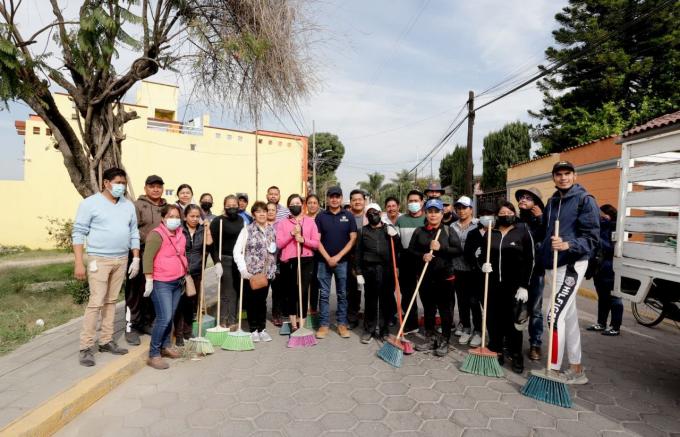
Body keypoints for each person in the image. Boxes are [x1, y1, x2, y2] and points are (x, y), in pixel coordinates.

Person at [539, 160, 600, 385]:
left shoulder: (585, 200)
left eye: (567, 173)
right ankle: (576, 368)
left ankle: (552, 369)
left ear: (574, 175)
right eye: (559, 174)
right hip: (554, 265)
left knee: (553, 315)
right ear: (553, 178)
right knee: (569, 317)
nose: (563, 177)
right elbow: (545, 233)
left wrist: (568, 245)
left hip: (572, 265)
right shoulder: (552, 201)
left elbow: (592, 239)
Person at [73, 167, 139, 367]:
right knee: (96, 302)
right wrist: (78, 262)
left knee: (111, 302)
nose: (121, 186)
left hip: (121, 260)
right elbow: (78, 232)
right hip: (98, 260)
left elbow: (133, 231)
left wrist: (135, 257)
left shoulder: (128, 206)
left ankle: (106, 341)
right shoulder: (90, 204)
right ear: (106, 183)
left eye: (123, 183)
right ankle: (85, 347)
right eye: (118, 182)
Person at [481, 202, 534, 374]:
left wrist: (524, 286)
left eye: (509, 211)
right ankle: (496, 349)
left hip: (515, 287)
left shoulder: (523, 232)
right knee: (493, 319)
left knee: (514, 322)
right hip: (493, 284)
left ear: (514, 213)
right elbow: (481, 255)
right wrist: (483, 265)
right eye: (502, 212)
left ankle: (516, 353)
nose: (506, 214)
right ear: (497, 215)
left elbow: (530, 260)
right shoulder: (490, 233)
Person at [410, 199, 462, 357]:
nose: (433, 215)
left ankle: (445, 340)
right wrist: (422, 255)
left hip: (445, 277)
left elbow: (458, 250)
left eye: (436, 211)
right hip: (426, 277)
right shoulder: (419, 231)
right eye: (430, 211)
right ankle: (430, 337)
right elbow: (411, 251)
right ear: (426, 213)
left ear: (442, 213)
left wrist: (442, 247)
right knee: (429, 309)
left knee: (446, 311)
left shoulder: (448, 230)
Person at [142, 204, 186, 369]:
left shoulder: (180, 233)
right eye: (170, 216)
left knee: (170, 316)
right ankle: (153, 354)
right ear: (163, 218)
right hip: (162, 283)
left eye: (177, 216)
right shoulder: (156, 235)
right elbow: (148, 258)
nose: (174, 219)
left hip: (177, 281)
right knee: (164, 318)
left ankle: (166, 346)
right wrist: (148, 279)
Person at [125, 174, 167, 346]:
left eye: (159, 186)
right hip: (139, 253)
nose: (156, 189)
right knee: (135, 292)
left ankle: (146, 322)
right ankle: (131, 326)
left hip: (160, 256)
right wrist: (149, 238)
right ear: (145, 188)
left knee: (151, 290)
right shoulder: (137, 206)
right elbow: (131, 228)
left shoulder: (167, 207)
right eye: (152, 186)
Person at [315, 186, 358, 339]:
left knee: (342, 294)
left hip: (343, 262)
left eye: (337, 196)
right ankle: (324, 325)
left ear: (341, 198)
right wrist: (328, 258)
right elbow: (317, 240)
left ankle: (341, 323)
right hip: (323, 261)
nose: (334, 199)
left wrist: (338, 257)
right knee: (324, 294)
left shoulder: (349, 215)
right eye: (331, 196)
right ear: (327, 198)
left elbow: (352, 239)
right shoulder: (320, 217)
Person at [356, 203, 399, 343]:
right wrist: (358, 272)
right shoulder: (363, 231)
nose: (372, 215)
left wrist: (395, 236)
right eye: (369, 213)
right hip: (369, 270)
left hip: (386, 269)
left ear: (380, 214)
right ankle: (369, 329)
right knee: (370, 300)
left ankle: (384, 330)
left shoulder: (389, 229)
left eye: (375, 212)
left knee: (386, 300)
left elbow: (397, 250)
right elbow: (358, 253)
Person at [234, 201, 277, 342]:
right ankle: (253, 330)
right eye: (259, 212)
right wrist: (243, 269)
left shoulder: (271, 229)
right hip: (252, 273)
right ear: (253, 214)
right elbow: (237, 251)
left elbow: (274, 249)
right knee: (252, 301)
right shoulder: (247, 230)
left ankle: (262, 329)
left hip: (267, 272)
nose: (262, 214)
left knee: (262, 301)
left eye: (264, 211)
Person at [276, 194, 320, 330]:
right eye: (292, 204)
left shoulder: (310, 222)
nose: (295, 206)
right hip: (288, 261)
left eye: (297, 203)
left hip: (306, 260)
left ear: (302, 204)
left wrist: (303, 240)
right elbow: (279, 244)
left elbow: (316, 244)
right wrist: (291, 234)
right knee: (291, 292)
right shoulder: (283, 223)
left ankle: (302, 323)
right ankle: (293, 324)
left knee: (303, 290)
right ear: (289, 206)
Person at [174, 204, 213, 346]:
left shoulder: (202, 230)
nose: (195, 219)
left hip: (196, 271)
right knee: (179, 304)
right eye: (192, 216)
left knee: (191, 303)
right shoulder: (179, 230)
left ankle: (187, 331)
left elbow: (209, 243)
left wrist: (207, 228)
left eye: (197, 216)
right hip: (180, 272)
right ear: (185, 216)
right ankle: (178, 335)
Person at [515, 187, 546, 361]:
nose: (523, 200)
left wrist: (541, 218)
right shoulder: (516, 221)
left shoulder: (543, 221)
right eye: (521, 197)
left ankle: (535, 344)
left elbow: (546, 237)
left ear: (536, 204)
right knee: (516, 308)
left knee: (535, 310)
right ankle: (511, 341)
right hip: (517, 273)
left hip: (536, 273)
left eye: (528, 198)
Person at [210, 195, 245, 330]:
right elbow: (212, 244)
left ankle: (233, 319)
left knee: (236, 290)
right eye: (229, 205)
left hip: (238, 259)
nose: (232, 207)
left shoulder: (241, 220)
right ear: (224, 206)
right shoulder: (218, 221)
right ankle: (223, 319)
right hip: (225, 259)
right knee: (226, 290)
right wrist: (216, 262)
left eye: (234, 205)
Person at [451, 195, 482, 347]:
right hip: (457, 269)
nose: (461, 211)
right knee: (462, 301)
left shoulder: (478, 225)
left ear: (471, 209)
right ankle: (466, 327)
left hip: (474, 270)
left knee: (474, 301)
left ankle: (478, 331)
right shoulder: (452, 226)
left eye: (464, 208)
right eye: (459, 208)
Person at [587, 204, 622, 336]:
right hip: (599, 268)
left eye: (603, 214)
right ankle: (601, 323)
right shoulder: (599, 228)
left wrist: (598, 240)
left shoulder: (615, 228)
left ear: (610, 215)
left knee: (614, 298)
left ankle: (615, 326)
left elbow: (613, 249)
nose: (600, 217)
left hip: (611, 268)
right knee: (602, 298)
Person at [396, 190, 426, 334]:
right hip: (406, 261)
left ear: (422, 202)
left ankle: (429, 323)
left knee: (426, 294)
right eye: (411, 201)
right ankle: (411, 323)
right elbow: (396, 243)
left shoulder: (427, 219)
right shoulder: (401, 220)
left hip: (424, 261)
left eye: (416, 201)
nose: (413, 203)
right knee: (408, 294)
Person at [267, 186, 289, 325]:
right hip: (262, 262)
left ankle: (277, 314)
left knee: (278, 290)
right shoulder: (260, 215)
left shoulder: (283, 217)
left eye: (276, 194)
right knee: (261, 289)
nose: (273, 196)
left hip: (278, 260)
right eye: (271, 194)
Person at [347, 189, 368, 329]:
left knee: (370, 289)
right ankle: (352, 317)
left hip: (368, 259)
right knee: (352, 289)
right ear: (351, 202)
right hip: (351, 257)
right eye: (354, 200)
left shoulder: (370, 216)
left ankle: (369, 318)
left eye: (360, 199)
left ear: (364, 201)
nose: (357, 202)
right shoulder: (347, 217)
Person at [305, 194, 322, 314]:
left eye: (314, 202)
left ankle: (314, 308)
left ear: (318, 205)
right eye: (310, 202)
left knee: (316, 282)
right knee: (305, 281)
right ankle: (303, 307)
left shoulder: (322, 218)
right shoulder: (302, 218)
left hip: (320, 254)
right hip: (306, 253)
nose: (312, 205)